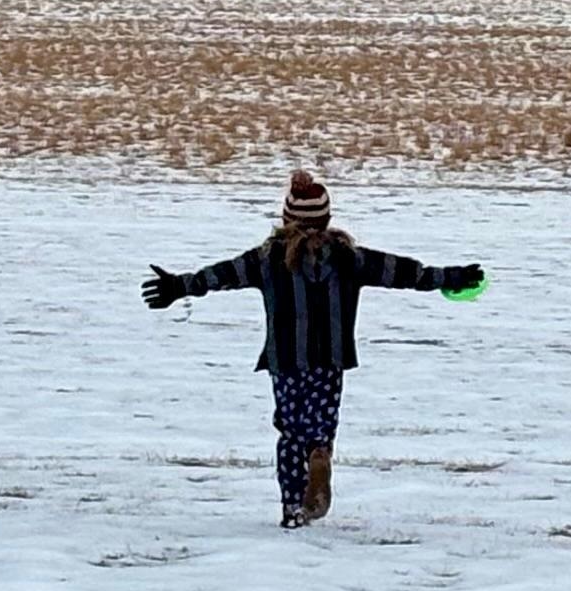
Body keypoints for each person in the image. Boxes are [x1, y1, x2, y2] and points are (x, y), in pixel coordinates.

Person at [143, 170, 483, 526]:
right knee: (319, 425)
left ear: (286, 218)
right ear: (327, 219)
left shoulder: (268, 259)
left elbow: (222, 274)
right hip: (330, 359)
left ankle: (294, 508)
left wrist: (180, 286)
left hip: (286, 360)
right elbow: (405, 273)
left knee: (291, 431)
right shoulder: (350, 258)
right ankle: (319, 453)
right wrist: (452, 276)